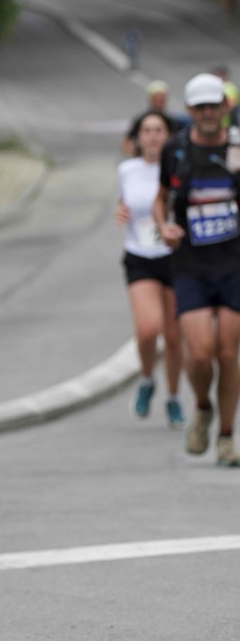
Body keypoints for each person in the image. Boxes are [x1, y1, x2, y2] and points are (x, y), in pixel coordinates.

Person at [153, 73, 240, 467]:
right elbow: (160, 197)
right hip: (190, 266)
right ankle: (203, 407)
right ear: (189, 109)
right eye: (200, 107)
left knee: (227, 352)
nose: (207, 113)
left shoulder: (237, 147)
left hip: (233, 264)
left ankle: (226, 437)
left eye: (213, 106)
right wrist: (163, 226)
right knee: (201, 352)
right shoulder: (176, 149)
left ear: (224, 107)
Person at [115, 110, 184, 426]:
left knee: (173, 337)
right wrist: (121, 212)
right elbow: (125, 203)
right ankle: (146, 379)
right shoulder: (127, 170)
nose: (153, 136)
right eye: (147, 130)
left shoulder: (179, 167)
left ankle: (173, 398)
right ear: (137, 138)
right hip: (140, 255)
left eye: (159, 130)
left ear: (169, 136)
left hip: (175, 257)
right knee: (147, 330)